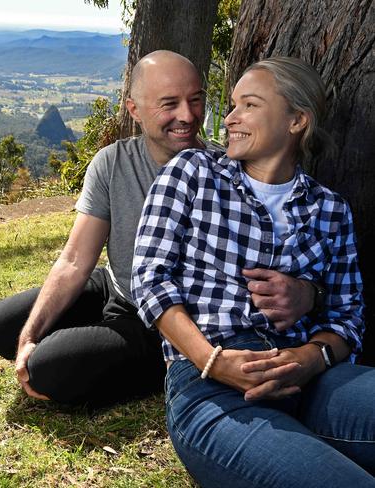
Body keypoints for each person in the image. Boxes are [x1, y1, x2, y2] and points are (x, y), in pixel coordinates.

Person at [0, 51, 318, 407]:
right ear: (134, 110)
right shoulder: (113, 162)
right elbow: (76, 259)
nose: (187, 116)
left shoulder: (227, 168)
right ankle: (84, 348)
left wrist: (309, 294)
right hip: (116, 286)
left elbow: (277, 244)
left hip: (164, 320)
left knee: (48, 368)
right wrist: (30, 333)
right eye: (169, 104)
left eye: (196, 100)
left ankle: (154, 366)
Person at [132, 57, 375, 486]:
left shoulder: (330, 209)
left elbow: (349, 315)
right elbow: (150, 281)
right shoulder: (192, 173)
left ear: (297, 120)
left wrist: (309, 357)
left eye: (249, 105)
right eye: (230, 106)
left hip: (315, 379)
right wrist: (211, 361)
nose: (229, 119)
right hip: (213, 387)